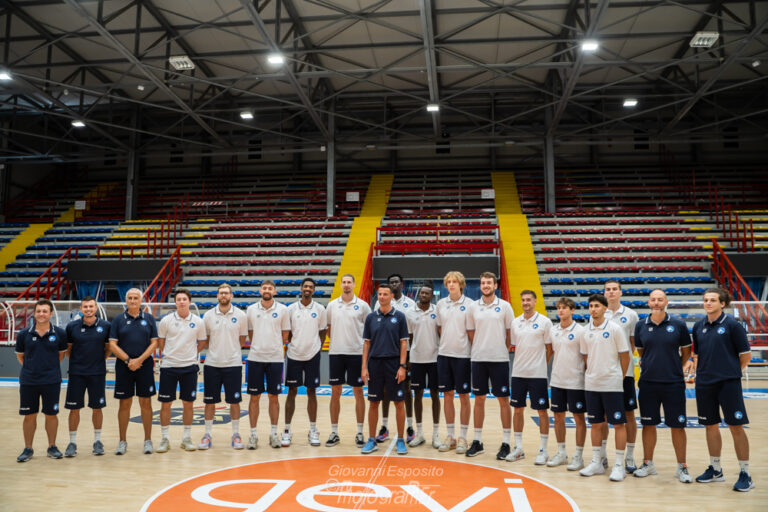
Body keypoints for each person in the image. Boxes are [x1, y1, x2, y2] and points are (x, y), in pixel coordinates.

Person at [689, 288, 753, 492]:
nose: (708, 303)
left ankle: (745, 473)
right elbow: (697, 356)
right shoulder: (698, 327)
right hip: (705, 384)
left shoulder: (733, 326)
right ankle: (716, 469)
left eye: (713, 300)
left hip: (728, 383)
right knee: (710, 426)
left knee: (736, 426)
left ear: (722, 303)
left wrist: (730, 371)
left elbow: (745, 356)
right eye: (706, 300)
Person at [632, 289, 693, 482]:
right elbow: (642, 353)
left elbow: (686, 352)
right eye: (653, 300)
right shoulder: (641, 325)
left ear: (666, 302)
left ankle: (682, 467)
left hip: (673, 383)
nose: (656, 302)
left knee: (678, 426)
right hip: (648, 383)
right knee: (648, 424)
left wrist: (675, 367)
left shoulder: (678, 325)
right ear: (649, 303)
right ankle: (648, 463)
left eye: (660, 299)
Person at [579, 293, 631, 481]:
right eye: (591, 306)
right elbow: (586, 357)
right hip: (592, 384)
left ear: (605, 308)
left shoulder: (615, 329)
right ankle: (596, 462)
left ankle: (619, 465)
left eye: (597, 306)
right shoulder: (585, 331)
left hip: (612, 384)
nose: (593, 309)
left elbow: (624, 356)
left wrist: (619, 376)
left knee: (618, 424)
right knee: (595, 424)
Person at [465, 272, 514, 459]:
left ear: (495, 285)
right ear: (480, 285)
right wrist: (481, 346)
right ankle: (477, 441)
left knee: (503, 400)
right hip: (478, 358)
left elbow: (509, 332)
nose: (485, 285)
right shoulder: (472, 307)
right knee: (479, 399)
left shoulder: (505, 306)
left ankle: (507, 442)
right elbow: (471, 332)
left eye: (489, 283)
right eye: (483, 282)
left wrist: (501, 347)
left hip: (499, 359)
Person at [15, 299, 69, 462]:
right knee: (29, 415)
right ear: (35, 313)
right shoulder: (24, 334)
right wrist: (33, 369)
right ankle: (28, 448)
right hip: (29, 381)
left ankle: (52, 446)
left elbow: (60, 355)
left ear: (51, 314)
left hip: (51, 381)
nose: (41, 314)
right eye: (38, 311)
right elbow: (20, 357)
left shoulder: (59, 333)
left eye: (45, 311)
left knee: (51, 414)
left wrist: (47, 369)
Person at [156, 289, 207, 453]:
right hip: (169, 367)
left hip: (189, 368)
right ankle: (165, 438)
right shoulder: (166, 320)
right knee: (165, 404)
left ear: (189, 302)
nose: (182, 302)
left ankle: (186, 438)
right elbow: (161, 342)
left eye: (184, 299)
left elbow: (201, 343)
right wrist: (171, 356)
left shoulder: (198, 322)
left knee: (188, 404)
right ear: (176, 302)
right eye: (179, 299)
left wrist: (189, 355)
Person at [109, 288, 159, 455]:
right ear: (126, 300)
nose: (132, 301)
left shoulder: (149, 319)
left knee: (146, 403)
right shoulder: (118, 320)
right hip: (124, 366)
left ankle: (148, 440)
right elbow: (112, 345)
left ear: (141, 300)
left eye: (135, 298)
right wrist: (129, 360)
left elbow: (154, 343)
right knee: (125, 403)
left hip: (144, 366)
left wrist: (139, 360)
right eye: (129, 298)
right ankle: (122, 441)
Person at [360, 284, 409, 455]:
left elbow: (404, 343)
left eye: (385, 294)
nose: (381, 297)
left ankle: (401, 440)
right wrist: (364, 367)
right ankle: (372, 439)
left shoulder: (400, 317)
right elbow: (366, 343)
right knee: (373, 403)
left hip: (394, 364)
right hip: (374, 364)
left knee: (399, 402)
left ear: (391, 297)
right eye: (379, 294)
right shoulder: (370, 318)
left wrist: (402, 366)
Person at [200, 283, 248, 450]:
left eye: (226, 293)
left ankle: (235, 434)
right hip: (212, 364)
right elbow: (205, 339)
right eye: (221, 293)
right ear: (217, 296)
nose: (224, 296)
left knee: (234, 402)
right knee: (209, 402)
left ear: (231, 296)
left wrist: (231, 351)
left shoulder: (241, 315)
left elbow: (242, 339)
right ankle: (207, 434)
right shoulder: (208, 315)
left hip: (233, 364)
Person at [325, 274, 371, 447]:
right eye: (343, 282)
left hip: (356, 354)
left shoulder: (363, 306)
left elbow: (369, 330)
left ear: (354, 284)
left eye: (349, 282)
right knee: (335, 392)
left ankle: (359, 432)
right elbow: (329, 329)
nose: (346, 285)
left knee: (358, 392)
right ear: (340, 285)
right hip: (336, 353)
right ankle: (334, 432)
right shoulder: (331, 306)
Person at [507, 290, 552, 464]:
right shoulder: (515, 322)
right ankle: (518, 448)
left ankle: (543, 450)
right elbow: (516, 346)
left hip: (537, 375)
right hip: (518, 373)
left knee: (542, 412)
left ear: (535, 301)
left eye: (528, 300)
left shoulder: (545, 322)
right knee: (517, 410)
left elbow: (550, 348)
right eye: (523, 300)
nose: (525, 302)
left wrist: (541, 365)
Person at [64, 296, 111, 457]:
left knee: (97, 408)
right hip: (77, 373)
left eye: (91, 306)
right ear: (81, 308)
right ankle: (72, 442)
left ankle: (97, 441)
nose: (88, 309)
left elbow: (108, 348)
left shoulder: (105, 326)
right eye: (85, 307)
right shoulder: (72, 327)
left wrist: (97, 360)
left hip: (97, 373)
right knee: (74, 409)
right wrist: (79, 362)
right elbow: (68, 350)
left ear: (96, 308)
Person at [246, 280, 290, 449]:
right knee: (254, 397)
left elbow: (285, 335)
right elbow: (250, 334)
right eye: (264, 288)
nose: (267, 290)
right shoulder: (250, 310)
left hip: (275, 359)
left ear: (275, 291)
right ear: (260, 291)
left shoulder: (283, 310)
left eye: (270, 288)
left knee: (274, 397)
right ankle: (253, 435)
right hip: (255, 358)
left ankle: (273, 434)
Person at [372, 273, 416, 443]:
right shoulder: (380, 302)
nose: (394, 284)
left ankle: (410, 426)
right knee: (384, 391)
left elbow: (410, 332)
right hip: (384, 354)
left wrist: (407, 358)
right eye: (391, 282)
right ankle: (384, 426)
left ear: (401, 284)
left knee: (407, 390)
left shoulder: (410, 304)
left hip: (405, 354)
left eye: (397, 282)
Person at [283, 278, 327, 447]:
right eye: (305, 286)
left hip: (313, 356)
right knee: (291, 391)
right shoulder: (291, 309)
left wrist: (317, 347)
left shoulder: (320, 309)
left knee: (312, 392)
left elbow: (323, 331)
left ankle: (313, 430)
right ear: (301, 288)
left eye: (311, 287)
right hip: (294, 355)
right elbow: (288, 332)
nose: (307, 288)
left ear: (314, 290)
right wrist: (294, 345)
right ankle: (286, 430)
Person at [547, 297, 587, 470]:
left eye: (565, 308)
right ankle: (561, 452)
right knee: (558, 417)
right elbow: (550, 352)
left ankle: (578, 455)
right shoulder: (553, 330)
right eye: (559, 307)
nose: (561, 310)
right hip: (557, 381)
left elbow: (587, 357)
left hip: (576, 382)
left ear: (572, 310)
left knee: (578, 418)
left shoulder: (581, 331)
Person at [604, 280, 640, 472]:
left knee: (629, 414)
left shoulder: (631, 315)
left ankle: (630, 456)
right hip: (603, 373)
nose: (611, 292)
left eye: (614, 289)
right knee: (602, 416)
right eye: (608, 290)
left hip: (624, 374)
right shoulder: (599, 312)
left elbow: (632, 344)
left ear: (620, 292)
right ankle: (602, 456)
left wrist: (621, 364)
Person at [436, 271, 473, 454]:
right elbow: (440, 328)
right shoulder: (441, 304)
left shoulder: (470, 305)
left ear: (461, 284)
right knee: (447, 395)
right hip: (444, 355)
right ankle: (450, 436)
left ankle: (463, 437)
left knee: (464, 396)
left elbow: (472, 332)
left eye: (454, 282)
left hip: (463, 356)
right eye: (448, 282)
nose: (451, 284)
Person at [405, 285, 441, 448]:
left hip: (435, 359)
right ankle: (419, 433)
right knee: (417, 394)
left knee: (435, 395)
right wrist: (410, 357)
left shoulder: (437, 311)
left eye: (427, 293)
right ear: (419, 294)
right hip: (417, 359)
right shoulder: (410, 313)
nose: (424, 295)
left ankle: (435, 434)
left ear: (432, 296)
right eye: (422, 292)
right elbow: (410, 337)